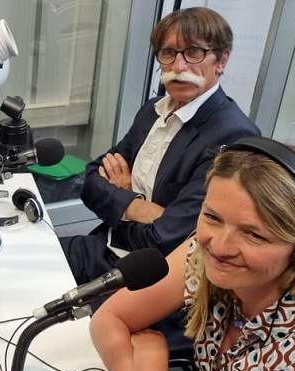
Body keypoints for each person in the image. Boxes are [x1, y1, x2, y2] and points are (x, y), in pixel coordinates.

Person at [90, 137, 295, 371]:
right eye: (212, 217)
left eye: (254, 235)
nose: (219, 245)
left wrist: (150, 357)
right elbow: (108, 319)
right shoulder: (208, 255)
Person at [60, 7, 260, 285]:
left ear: (222, 60)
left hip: (151, 276)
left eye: (194, 52)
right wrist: (140, 208)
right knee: (17, 262)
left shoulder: (234, 136)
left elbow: (167, 239)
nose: (179, 67)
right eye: (168, 53)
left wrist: (123, 199)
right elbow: (91, 181)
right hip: (102, 247)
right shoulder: (152, 110)